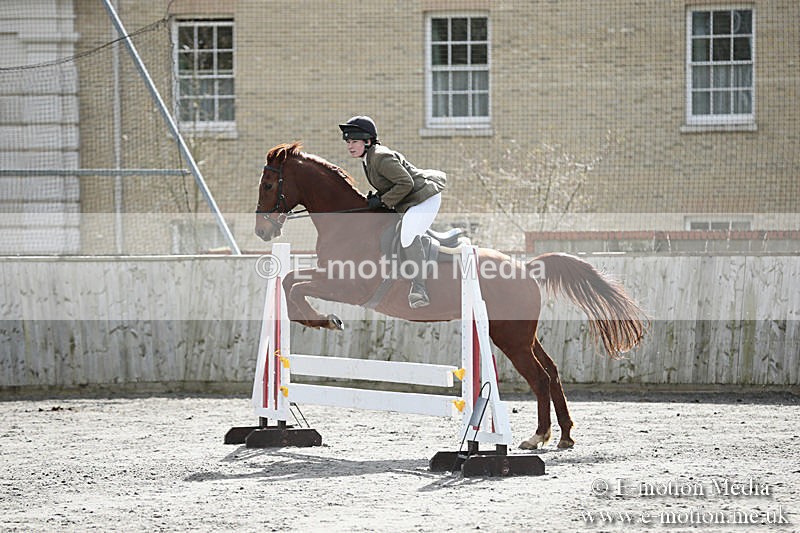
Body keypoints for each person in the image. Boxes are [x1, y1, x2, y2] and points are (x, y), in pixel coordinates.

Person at [339, 115, 446, 309]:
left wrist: (382, 201)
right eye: (348, 142)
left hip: (424, 198)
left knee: (407, 235)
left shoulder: (380, 156)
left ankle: (419, 288)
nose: (350, 146)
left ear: (368, 141)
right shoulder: (368, 159)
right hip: (409, 200)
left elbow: (406, 183)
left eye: (354, 141)